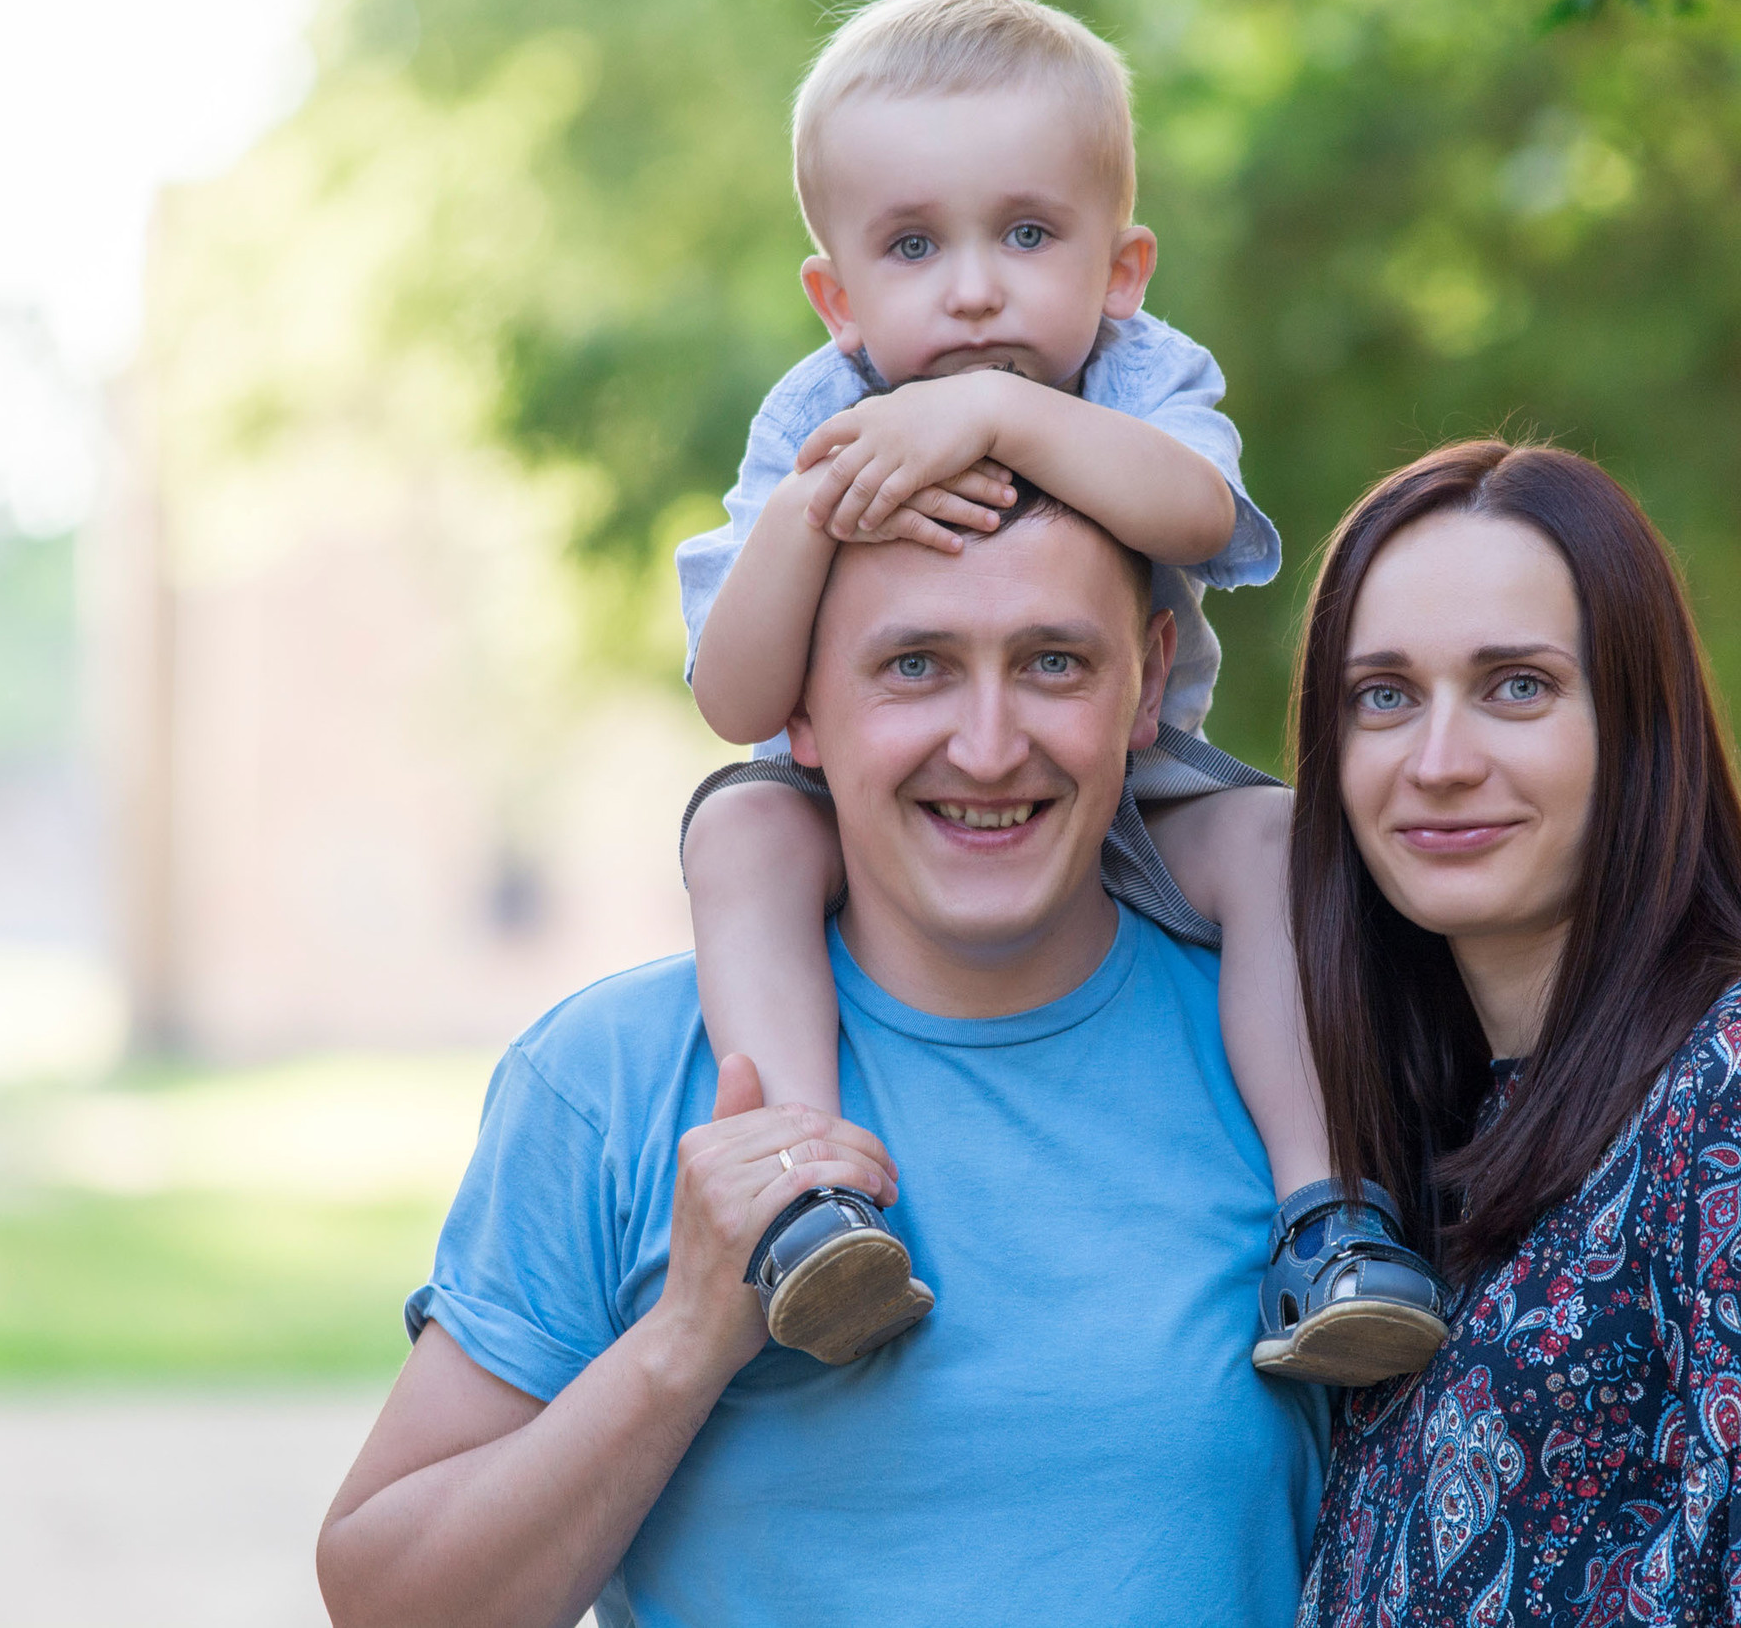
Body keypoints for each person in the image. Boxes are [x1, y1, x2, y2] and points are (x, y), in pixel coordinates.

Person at [317, 487, 1328, 1628]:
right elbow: (388, 1604)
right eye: (914, 667)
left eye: (1053, 663)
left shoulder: (1293, 1058)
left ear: (1147, 680)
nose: (989, 747)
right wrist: (687, 1339)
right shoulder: (614, 1075)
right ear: (799, 702)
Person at [672, 0, 1443, 1379]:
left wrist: (1001, 410)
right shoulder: (815, 414)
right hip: (862, 797)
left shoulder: (1138, 371)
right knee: (736, 820)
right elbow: (735, 697)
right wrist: (805, 511)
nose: (974, 287)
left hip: (1129, 777)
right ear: (838, 295)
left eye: (1028, 233)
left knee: (1274, 836)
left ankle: (1327, 1213)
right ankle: (803, 1189)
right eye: (913, 245)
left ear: (1122, 268)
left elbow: (1199, 516)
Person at [1284, 442, 1741, 1624]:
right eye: (1382, 696)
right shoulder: (1398, 1128)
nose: (1437, 762)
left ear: (1637, 726)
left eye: (1518, 687)